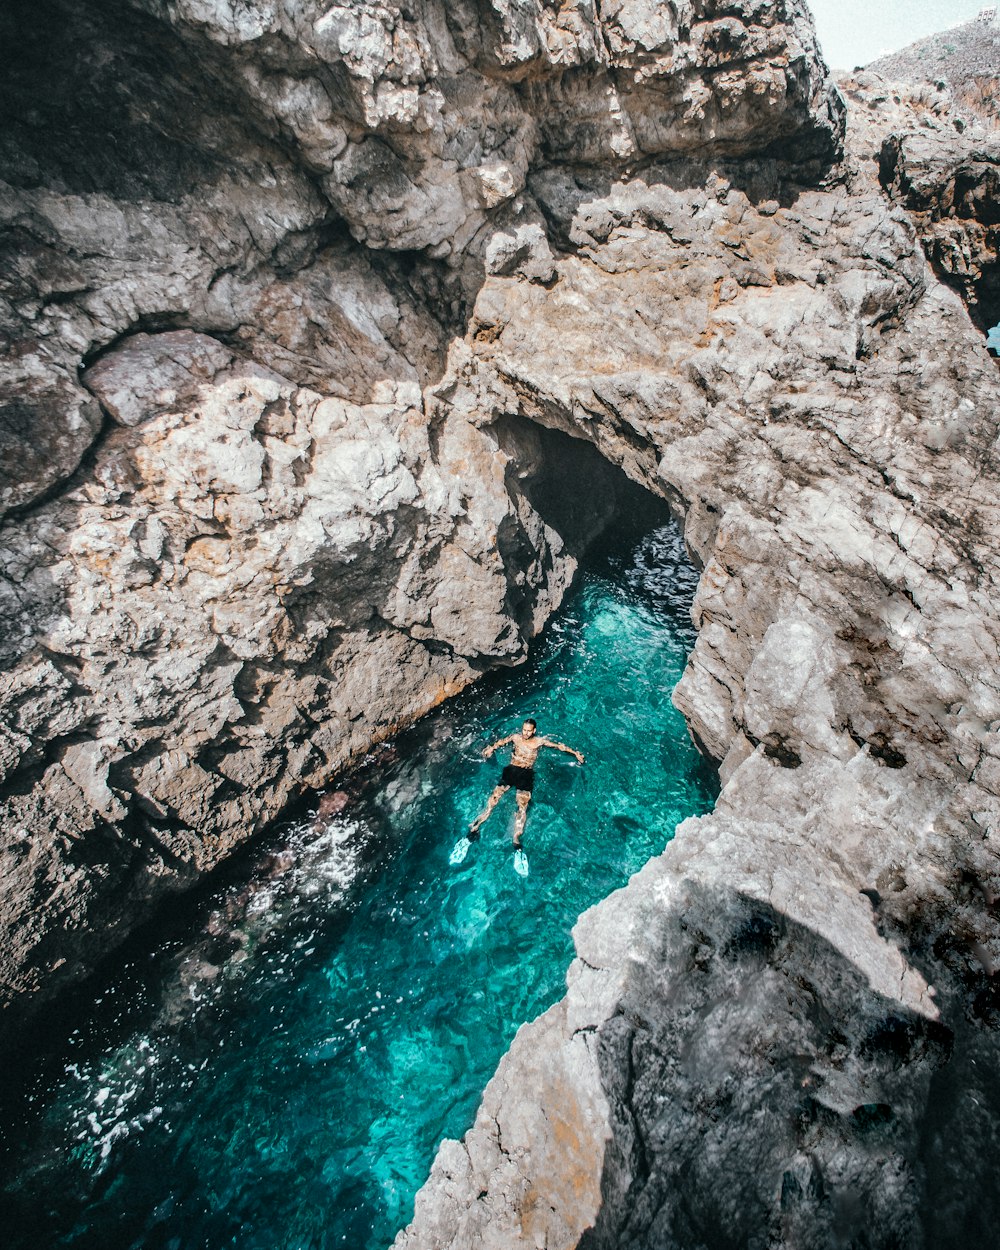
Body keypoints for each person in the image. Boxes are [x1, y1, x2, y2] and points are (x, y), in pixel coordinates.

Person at [469, 718, 584, 850]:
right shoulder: (516, 737)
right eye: (524, 730)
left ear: (534, 731)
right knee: (494, 799)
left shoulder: (539, 742)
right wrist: (491, 749)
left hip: (526, 774)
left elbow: (559, 746)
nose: (526, 733)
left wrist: (575, 754)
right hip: (511, 770)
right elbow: (501, 742)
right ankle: (476, 826)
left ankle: (516, 839)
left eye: (529, 731)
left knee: (522, 806)